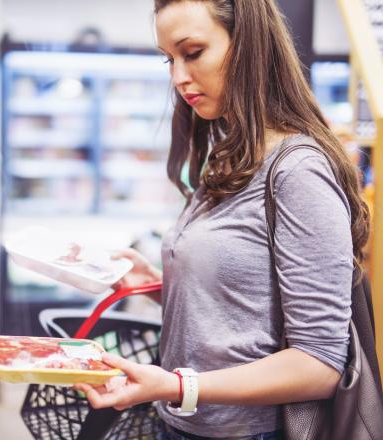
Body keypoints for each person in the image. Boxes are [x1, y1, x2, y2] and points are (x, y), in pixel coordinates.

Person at [73, 1, 370, 439]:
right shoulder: (230, 154)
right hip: (184, 425)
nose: (178, 77)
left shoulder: (297, 171)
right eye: (169, 59)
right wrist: (155, 283)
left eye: (192, 53)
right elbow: (243, 307)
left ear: (249, 44)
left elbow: (319, 363)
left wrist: (178, 385)